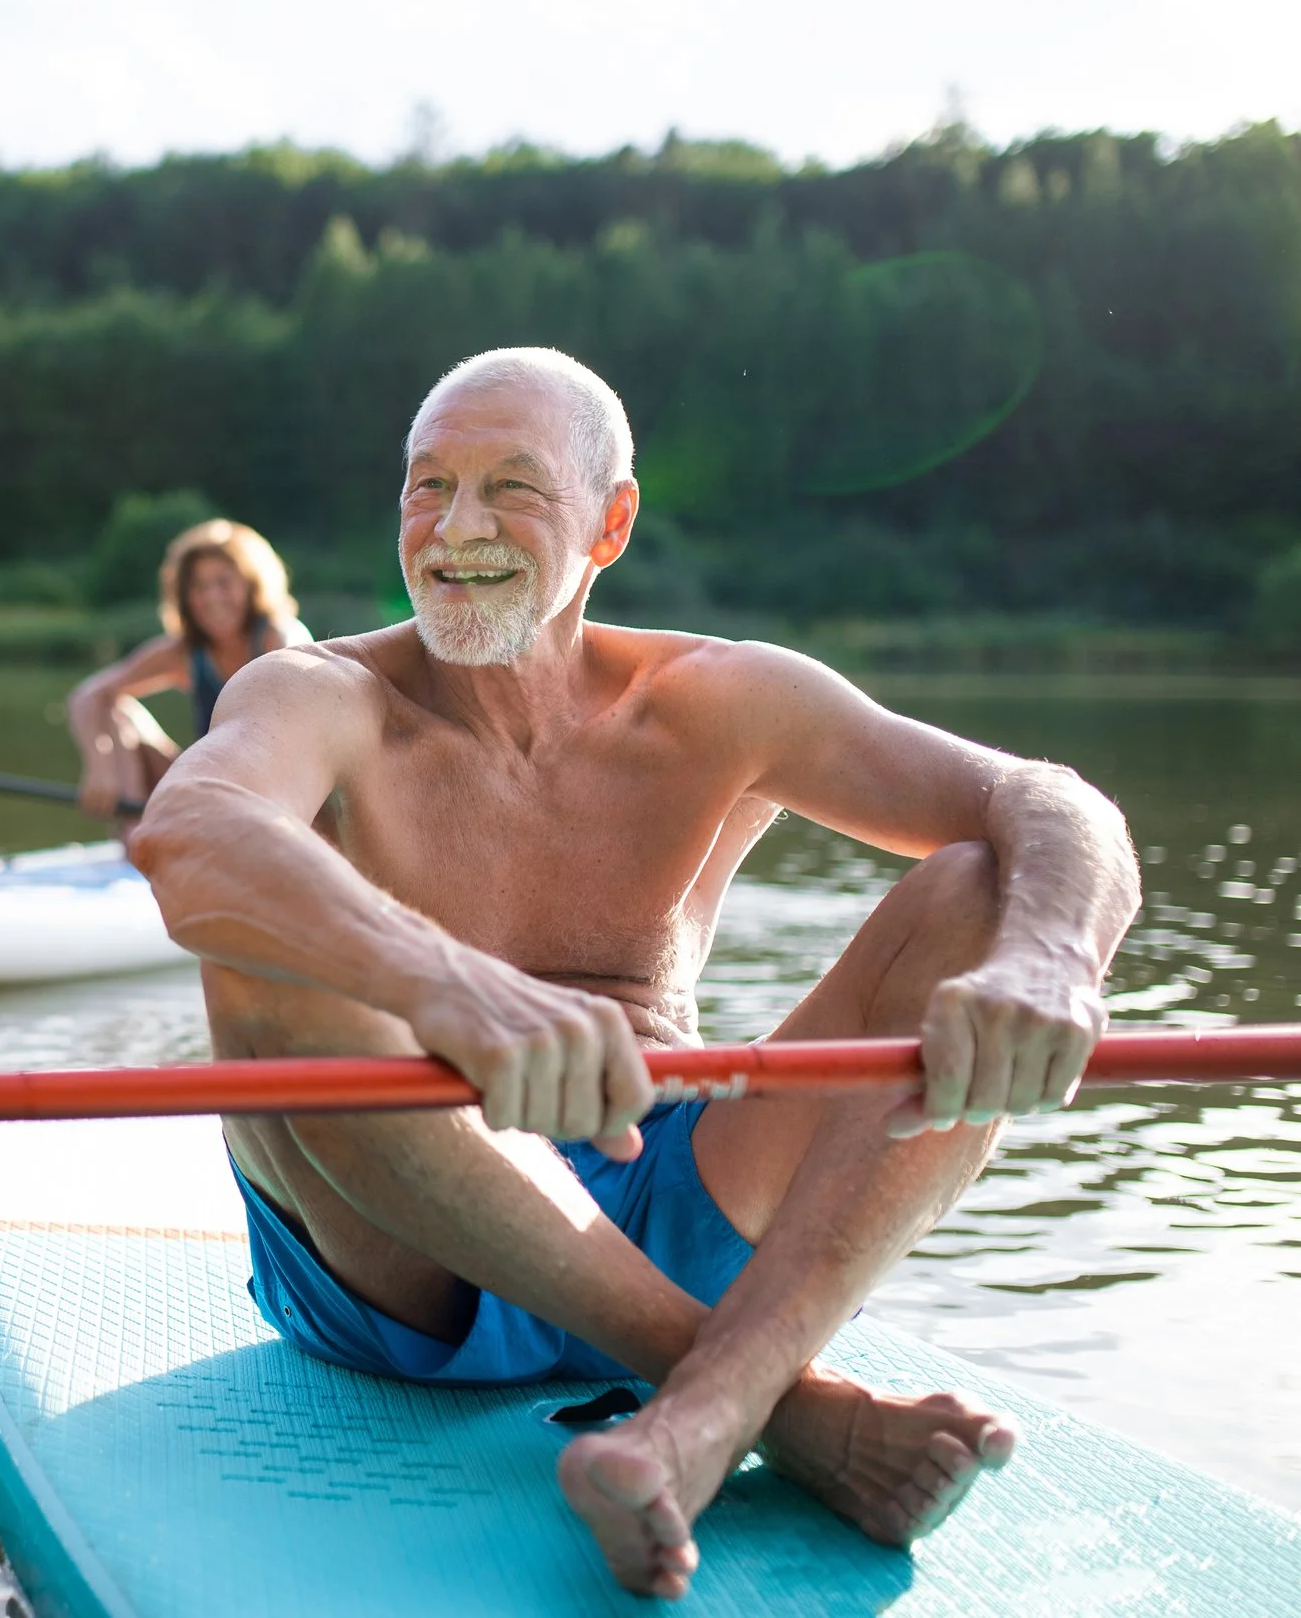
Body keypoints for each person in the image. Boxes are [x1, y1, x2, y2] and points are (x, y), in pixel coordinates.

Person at [126, 347, 1136, 1600]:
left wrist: (1050, 957)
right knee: (262, 950)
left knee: (986, 890)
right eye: (425, 486)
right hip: (405, 1258)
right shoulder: (321, 693)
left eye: (510, 490)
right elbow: (191, 835)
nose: (455, 530)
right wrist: (448, 985)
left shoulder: (717, 699)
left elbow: (1042, 800)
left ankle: (698, 1414)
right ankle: (771, 1398)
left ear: (610, 522)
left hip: (664, 1190)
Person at [68, 518, 309, 819]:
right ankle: (135, 835)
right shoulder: (184, 652)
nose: (211, 598)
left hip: (277, 801)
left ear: (251, 586)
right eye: (199, 586)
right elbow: (88, 695)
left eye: (224, 582)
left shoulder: (279, 638)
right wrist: (100, 768)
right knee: (117, 712)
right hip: (209, 793)